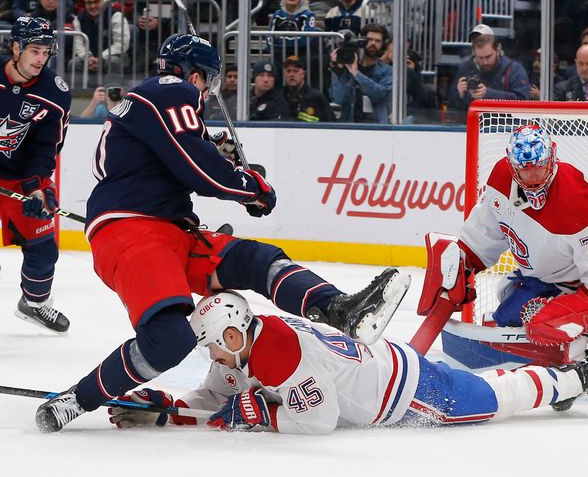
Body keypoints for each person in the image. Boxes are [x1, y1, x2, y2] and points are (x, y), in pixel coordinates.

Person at [34, 33, 412, 433]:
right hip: (135, 232)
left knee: (255, 260)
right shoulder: (173, 90)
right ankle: (79, 399)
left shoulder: (151, 98)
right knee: (170, 339)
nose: (208, 93)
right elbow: (198, 169)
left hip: (170, 229)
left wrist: (216, 149)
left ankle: (340, 309)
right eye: (208, 82)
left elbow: (180, 151)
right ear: (194, 75)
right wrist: (253, 188)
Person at [103, 291, 588, 432]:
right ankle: (560, 380)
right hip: (381, 370)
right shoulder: (239, 347)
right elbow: (216, 398)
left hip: (401, 390)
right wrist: (169, 409)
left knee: (487, 403)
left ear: (234, 333)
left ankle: (574, 378)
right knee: (480, 390)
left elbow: (318, 421)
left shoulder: (280, 354)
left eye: (214, 345)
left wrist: (259, 414)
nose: (212, 357)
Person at [418, 125, 588, 411]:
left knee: (542, 327)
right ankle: (559, 365)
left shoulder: (578, 201)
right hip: (542, 279)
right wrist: (463, 265)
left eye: (538, 169)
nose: (531, 178)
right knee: (507, 312)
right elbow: (486, 231)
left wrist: (577, 311)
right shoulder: (502, 178)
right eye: (524, 170)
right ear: (511, 163)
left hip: (587, 287)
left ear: (552, 159)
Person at [0, 16, 72, 328]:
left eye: (46, 52)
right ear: (16, 47)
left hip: (18, 174)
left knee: (44, 246)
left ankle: (34, 303)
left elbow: (47, 147)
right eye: (35, 50)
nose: (41, 59)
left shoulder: (54, 93)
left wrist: (34, 188)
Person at [447, 26, 531, 120]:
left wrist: (488, 94)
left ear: (497, 51)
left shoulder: (515, 69)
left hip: (507, 128)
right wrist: (460, 95)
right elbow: (450, 105)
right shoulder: (464, 68)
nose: (485, 62)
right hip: (470, 127)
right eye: (480, 58)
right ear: (474, 53)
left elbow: (523, 102)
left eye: (488, 57)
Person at [329, 23, 392, 123]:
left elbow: (379, 95)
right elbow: (338, 99)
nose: (373, 43)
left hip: (377, 127)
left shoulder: (387, 71)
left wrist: (356, 73)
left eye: (377, 41)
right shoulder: (347, 68)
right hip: (350, 125)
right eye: (370, 39)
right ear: (362, 40)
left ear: (383, 44)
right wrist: (339, 70)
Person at [70, 0, 131, 76]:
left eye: (96, 1)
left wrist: (101, 57)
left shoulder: (116, 16)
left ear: (103, 1)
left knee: (113, 62)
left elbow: (121, 44)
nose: (93, 6)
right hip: (89, 58)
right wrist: (88, 58)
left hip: (114, 55)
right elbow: (78, 45)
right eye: (89, 3)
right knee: (74, 63)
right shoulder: (78, 19)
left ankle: (112, 88)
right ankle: (77, 90)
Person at [282, 55, 335, 122]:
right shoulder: (281, 96)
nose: (291, 74)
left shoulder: (316, 97)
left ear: (303, 74)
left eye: (295, 71)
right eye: (288, 71)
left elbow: (332, 125)